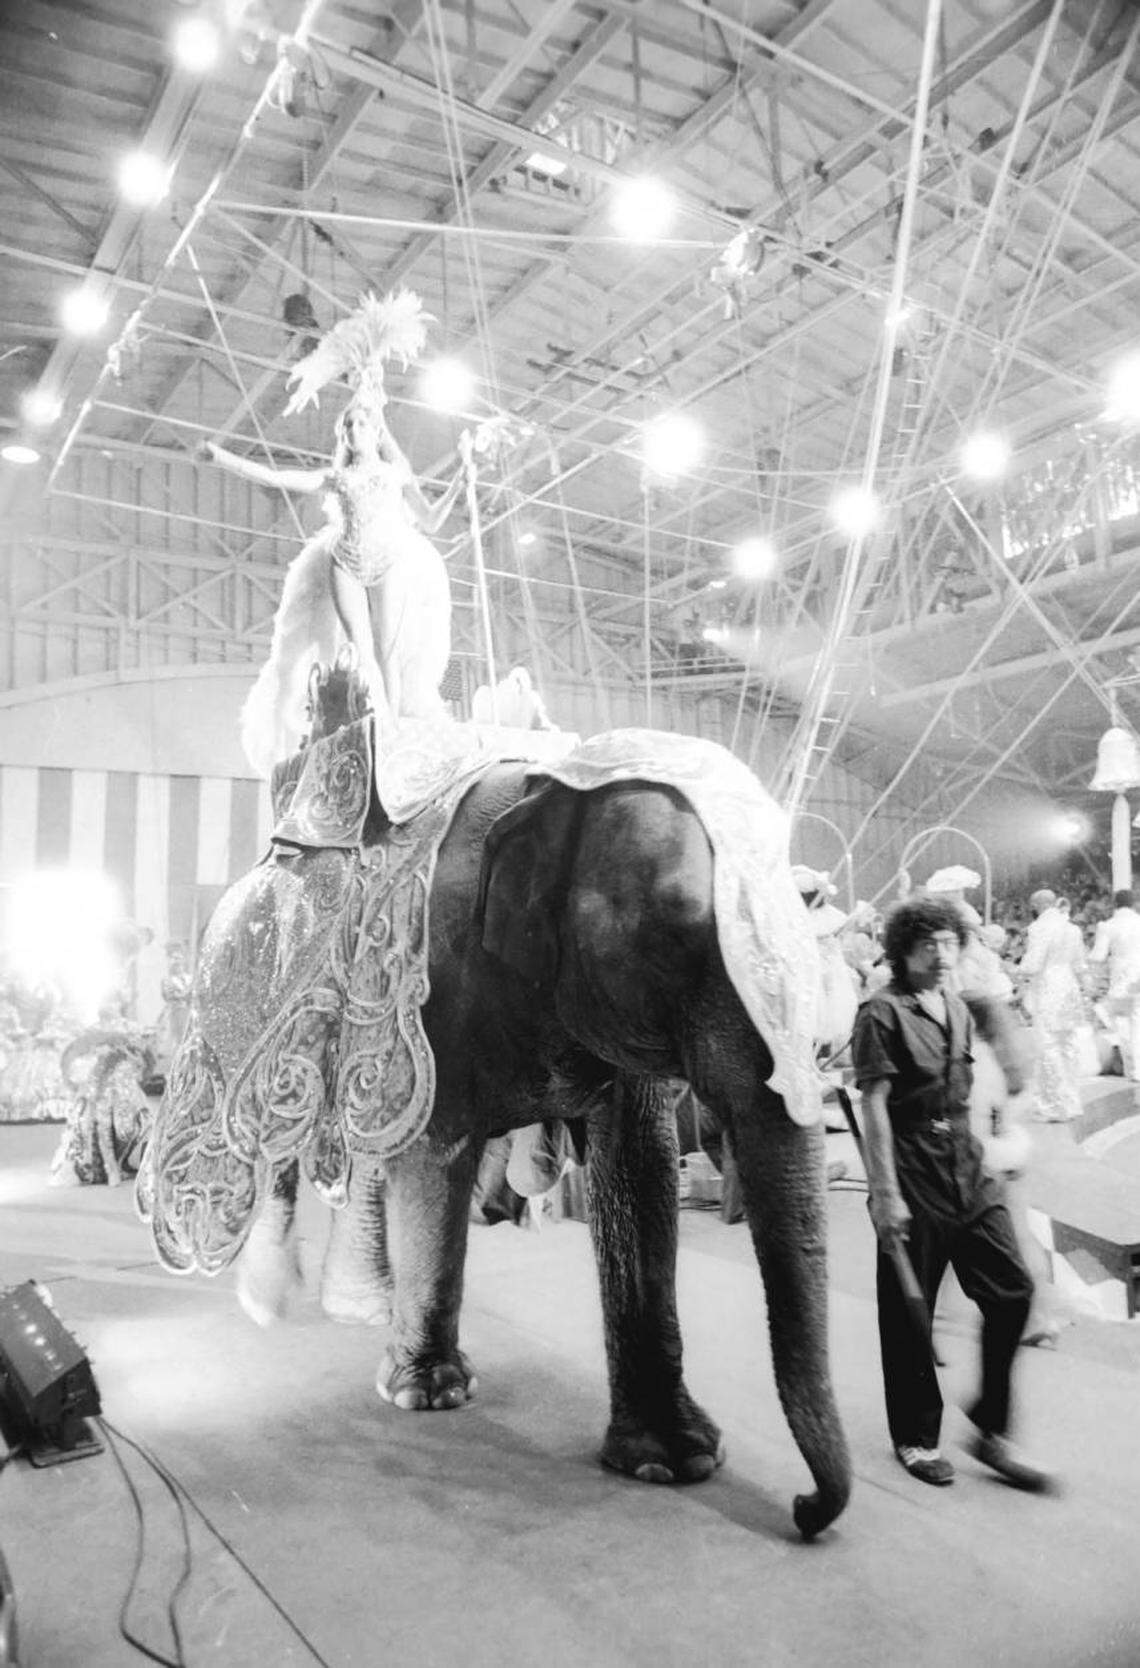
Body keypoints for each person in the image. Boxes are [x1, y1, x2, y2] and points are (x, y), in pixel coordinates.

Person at [202, 289, 468, 775]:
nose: (352, 432)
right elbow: (277, 477)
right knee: (359, 646)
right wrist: (221, 457)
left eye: (359, 426)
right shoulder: (338, 477)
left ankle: (393, 725)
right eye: (347, 428)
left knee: (388, 647)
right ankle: (375, 717)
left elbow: (431, 520)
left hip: (387, 557)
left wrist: (461, 479)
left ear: (372, 432)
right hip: (345, 560)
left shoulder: (392, 472)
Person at [851, 896, 1052, 1493]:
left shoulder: (958, 1010)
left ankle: (990, 1424)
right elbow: (875, 1106)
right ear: (902, 952)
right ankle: (915, 1436)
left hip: (967, 1164)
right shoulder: (880, 1014)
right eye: (927, 945)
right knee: (911, 1315)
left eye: (949, 943)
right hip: (912, 1168)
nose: (941, 956)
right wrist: (884, 1193)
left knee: (1013, 1291)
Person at [1017, 888, 1087, 1122]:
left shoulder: (1039, 928)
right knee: (1068, 1045)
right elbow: (1080, 964)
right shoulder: (1072, 928)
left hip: (1049, 987)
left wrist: (1016, 969)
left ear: (1038, 905)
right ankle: (1072, 1102)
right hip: (1069, 986)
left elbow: (1033, 964)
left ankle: (1054, 1106)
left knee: (1048, 1045)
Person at [1090, 888, 1140, 1083]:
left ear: (1115, 904)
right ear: (1134, 903)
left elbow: (1098, 956)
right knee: (1137, 1022)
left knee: (1122, 1025)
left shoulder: (1108, 925)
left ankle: (1133, 1069)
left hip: (1120, 979)